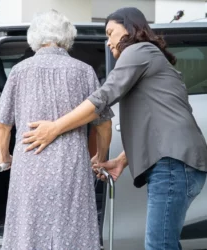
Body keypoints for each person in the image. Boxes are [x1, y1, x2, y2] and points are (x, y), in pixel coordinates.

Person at [21, 7, 207, 250]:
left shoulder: (138, 50)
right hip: (179, 164)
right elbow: (156, 123)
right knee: (164, 243)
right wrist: (122, 160)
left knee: (159, 245)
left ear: (130, 28)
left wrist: (54, 127)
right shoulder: (150, 58)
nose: (108, 42)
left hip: (173, 164)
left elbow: (102, 98)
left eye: (110, 33)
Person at [0, 10, 113, 250]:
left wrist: (5, 157)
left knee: (29, 228)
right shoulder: (84, 71)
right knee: (72, 227)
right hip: (72, 168)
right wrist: (99, 157)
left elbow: (3, 125)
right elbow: (104, 125)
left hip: (29, 165)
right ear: (67, 37)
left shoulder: (19, 71)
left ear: (34, 37)